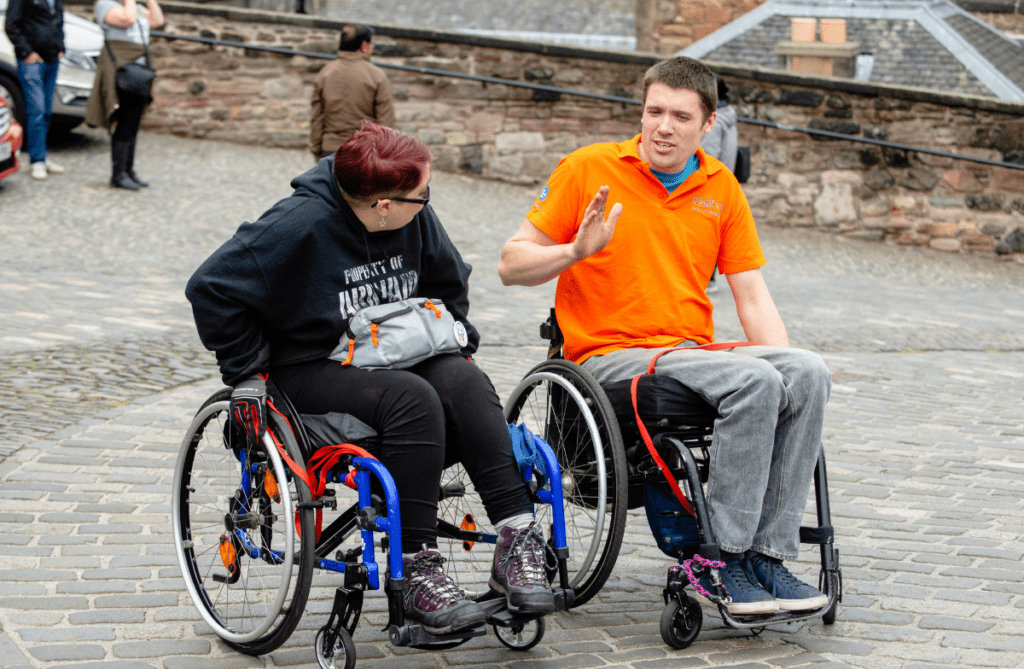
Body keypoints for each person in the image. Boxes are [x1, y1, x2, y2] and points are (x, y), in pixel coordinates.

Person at [186, 122, 556, 635]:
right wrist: (246, 370)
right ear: (384, 205)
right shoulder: (299, 223)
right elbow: (210, 287)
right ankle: (420, 568)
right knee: (413, 398)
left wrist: (453, 338)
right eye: (420, 196)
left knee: (466, 383)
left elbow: (449, 280)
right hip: (309, 363)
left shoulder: (414, 215)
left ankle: (517, 538)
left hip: (390, 349)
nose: (427, 202)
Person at [498, 57, 831, 616]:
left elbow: (751, 295)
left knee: (808, 372)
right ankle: (719, 559)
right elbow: (510, 264)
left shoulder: (719, 186)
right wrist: (574, 252)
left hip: (687, 353)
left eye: (680, 116)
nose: (663, 126)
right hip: (607, 357)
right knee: (752, 380)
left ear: (708, 125)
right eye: (654, 111)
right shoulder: (589, 168)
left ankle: (766, 558)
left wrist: (789, 370)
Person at [85, 0, 163, 190]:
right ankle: (118, 175)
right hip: (122, 71)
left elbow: (158, 21)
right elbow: (127, 20)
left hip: (138, 71)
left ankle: (128, 170)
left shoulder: (135, 8)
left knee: (134, 122)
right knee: (124, 122)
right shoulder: (106, 5)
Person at [309, 23, 395, 162]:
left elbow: (317, 117)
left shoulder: (325, 73)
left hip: (330, 151)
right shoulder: (376, 76)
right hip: (364, 152)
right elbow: (386, 121)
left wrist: (316, 148)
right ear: (364, 46)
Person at [4, 0, 66, 181]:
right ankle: (36, 160)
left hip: (51, 59)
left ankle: (42, 155)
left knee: (46, 110)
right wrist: (26, 52)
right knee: (36, 110)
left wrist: (60, 46)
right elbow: (11, 25)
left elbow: (58, 20)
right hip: (31, 61)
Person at [700, 74, 738, 294]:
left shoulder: (715, 122)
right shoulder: (728, 115)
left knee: (706, 230)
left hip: (711, 182)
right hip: (724, 179)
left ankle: (707, 278)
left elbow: (708, 156)